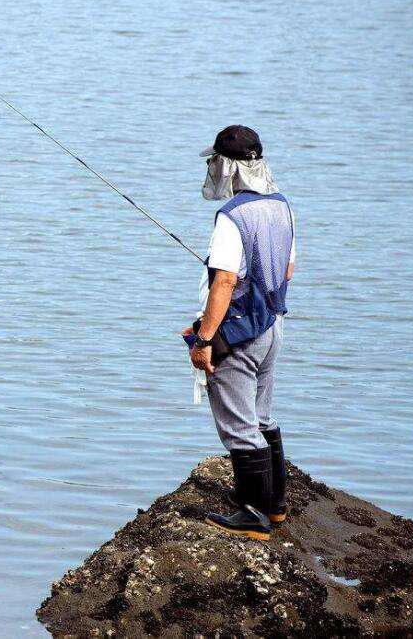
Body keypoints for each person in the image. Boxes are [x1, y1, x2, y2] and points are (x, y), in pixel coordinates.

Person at [183, 125, 295, 541]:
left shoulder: (231, 217)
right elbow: (286, 270)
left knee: (239, 425)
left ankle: (253, 514)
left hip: (241, 334)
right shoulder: (282, 206)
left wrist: (204, 337)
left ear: (226, 166)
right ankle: (275, 507)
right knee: (263, 416)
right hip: (273, 327)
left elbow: (225, 281)